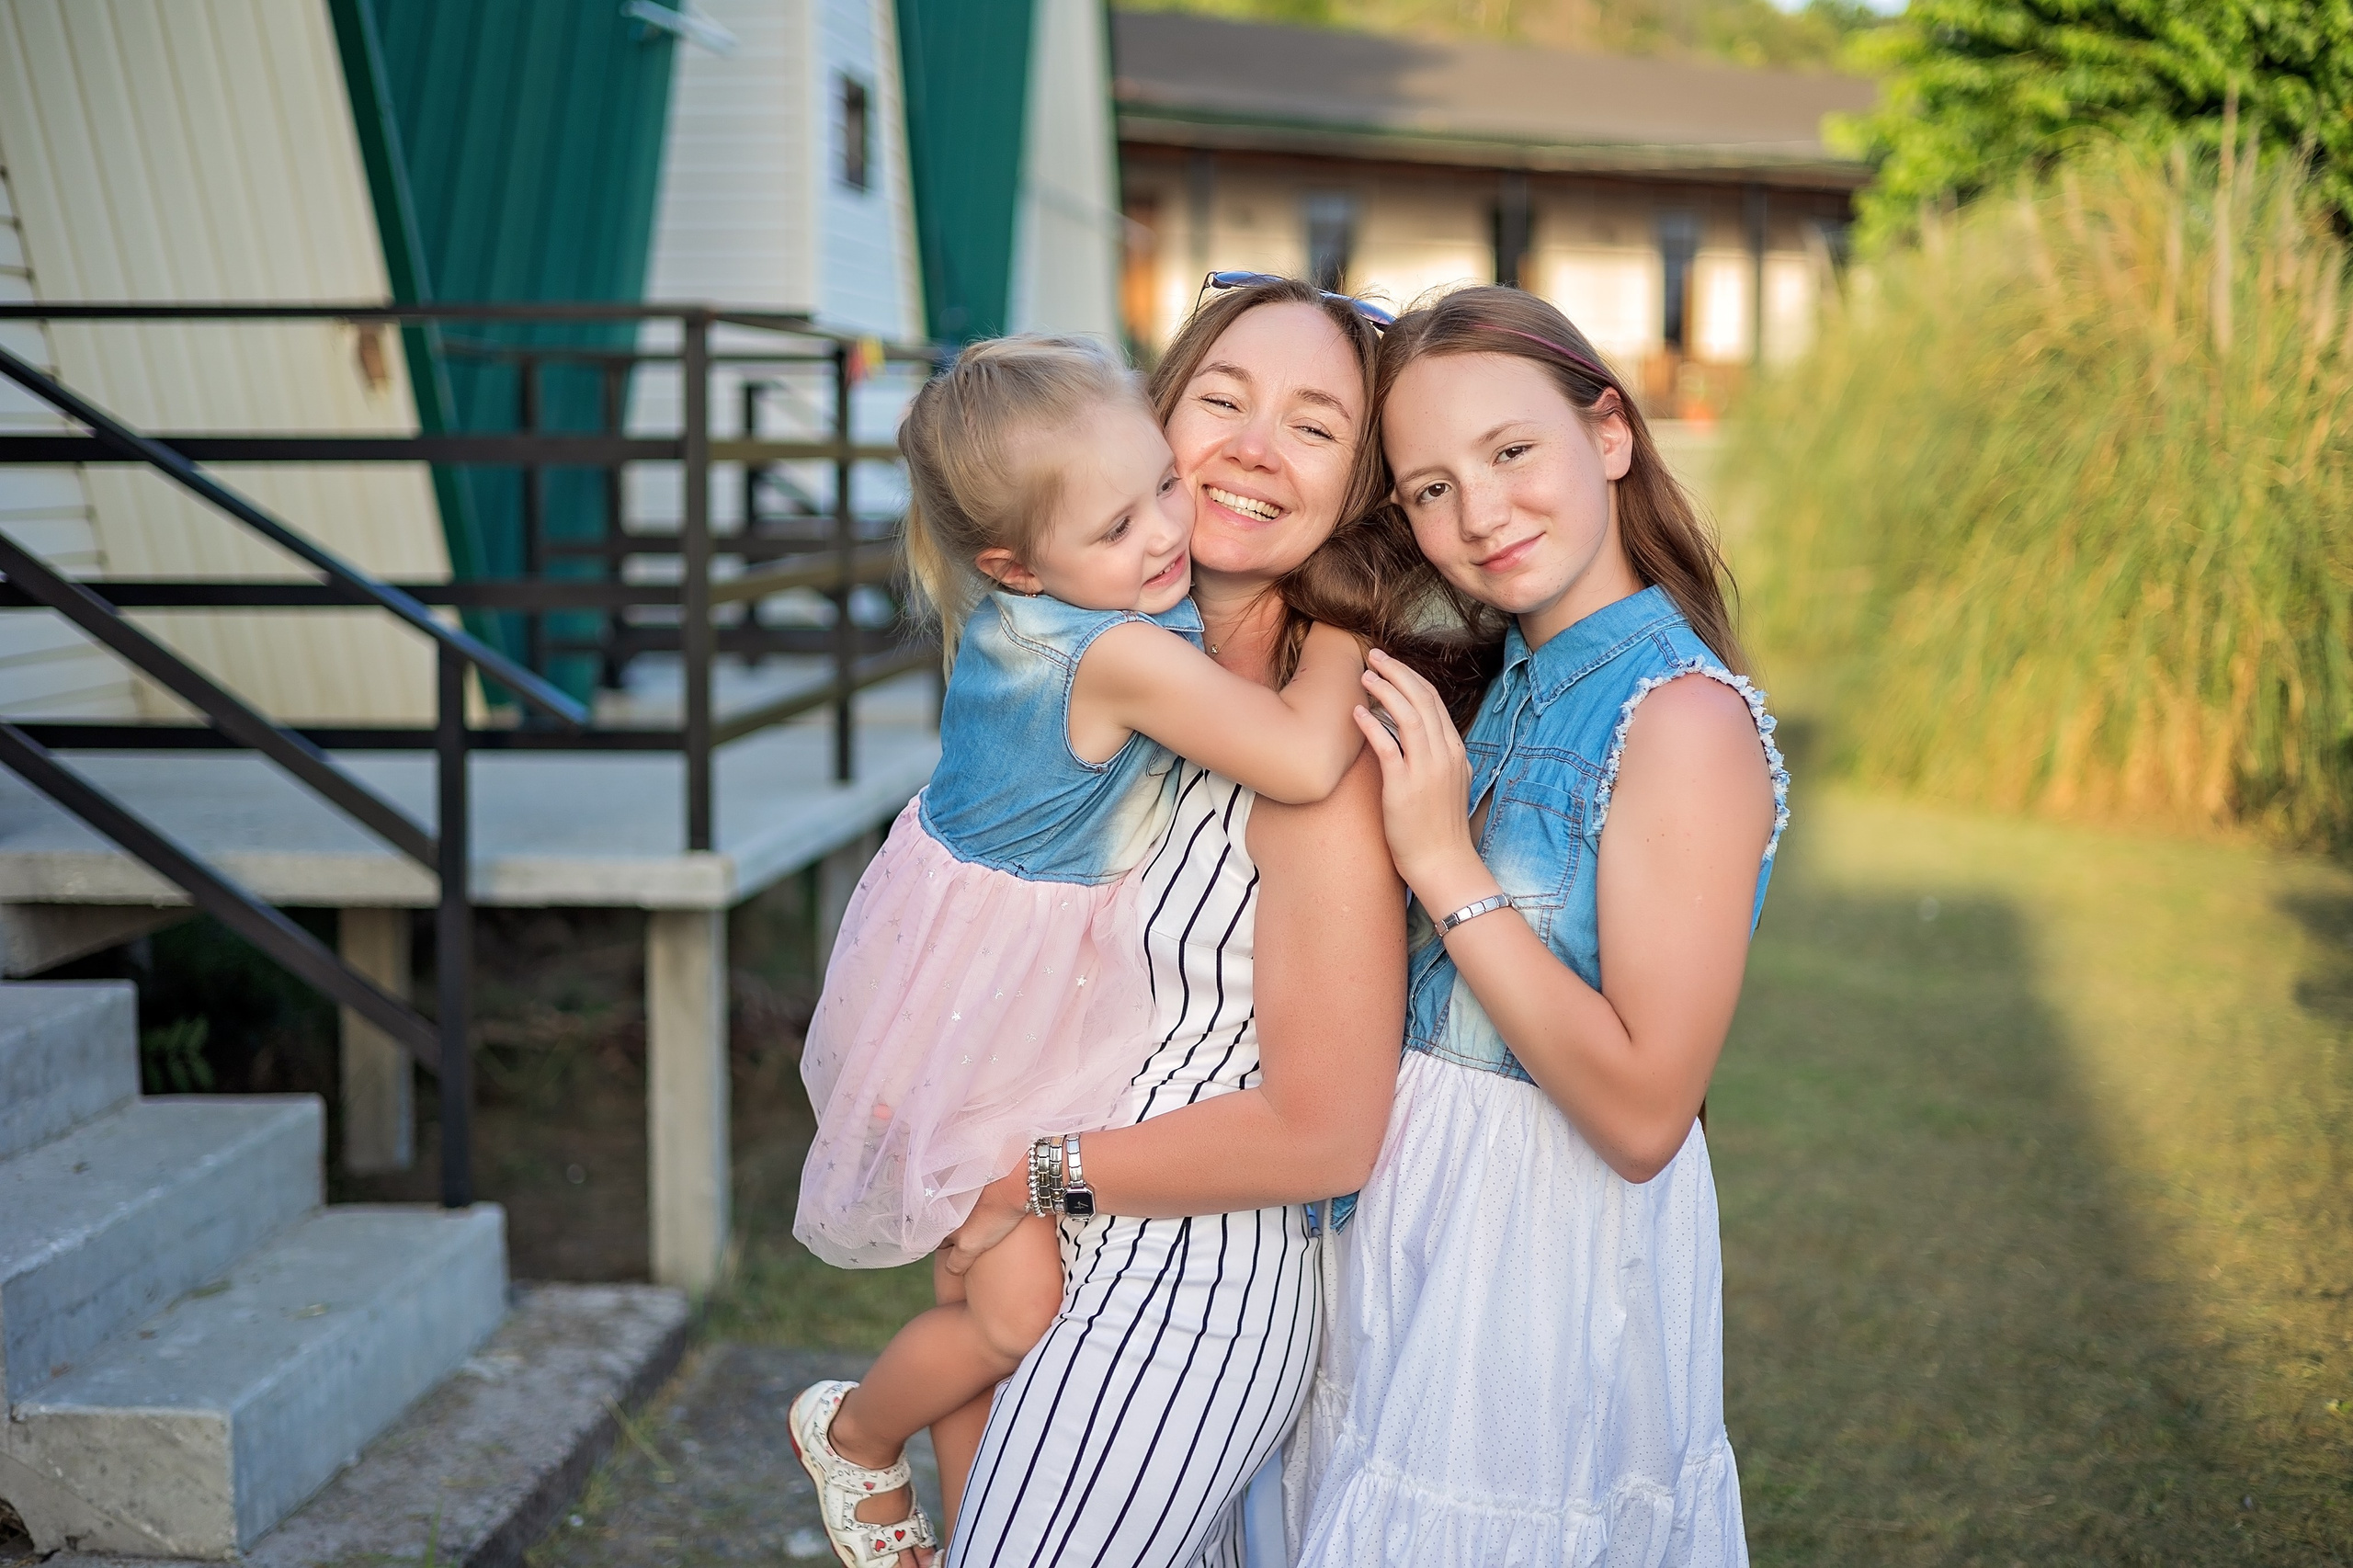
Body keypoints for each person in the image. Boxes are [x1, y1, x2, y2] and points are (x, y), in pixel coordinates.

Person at [786, 334, 1374, 1567]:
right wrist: (1346, 630)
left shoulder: (1044, 604)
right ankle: (852, 1432)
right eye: (1121, 524)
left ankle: (949, 1497)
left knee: (983, 1293)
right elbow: (1304, 755)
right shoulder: (1115, 650)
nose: (1164, 532)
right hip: (995, 1013)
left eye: (1164, 483)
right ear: (1015, 559)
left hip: (963, 987)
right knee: (1010, 1304)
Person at [935, 276, 1494, 1568]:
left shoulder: (1327, 753)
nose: (1250, 447)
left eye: (1314, 426)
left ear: (1360, 485)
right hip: (1041, 1271)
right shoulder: (1094, 674)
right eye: (1221, 401)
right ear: (1150, 423)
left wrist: (1025, 1173)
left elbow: (1325, 1130)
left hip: (1179, 1302)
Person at [1284, 286, 1788, 1565]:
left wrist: (1444, 859)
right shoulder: (1503, 679)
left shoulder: (1681, 720)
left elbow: (1639, 1114)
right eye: (1431, 488)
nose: (1481, 514)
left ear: (1608, 434)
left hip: (1537, 1253)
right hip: (1416, 1218)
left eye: (1512, 453)